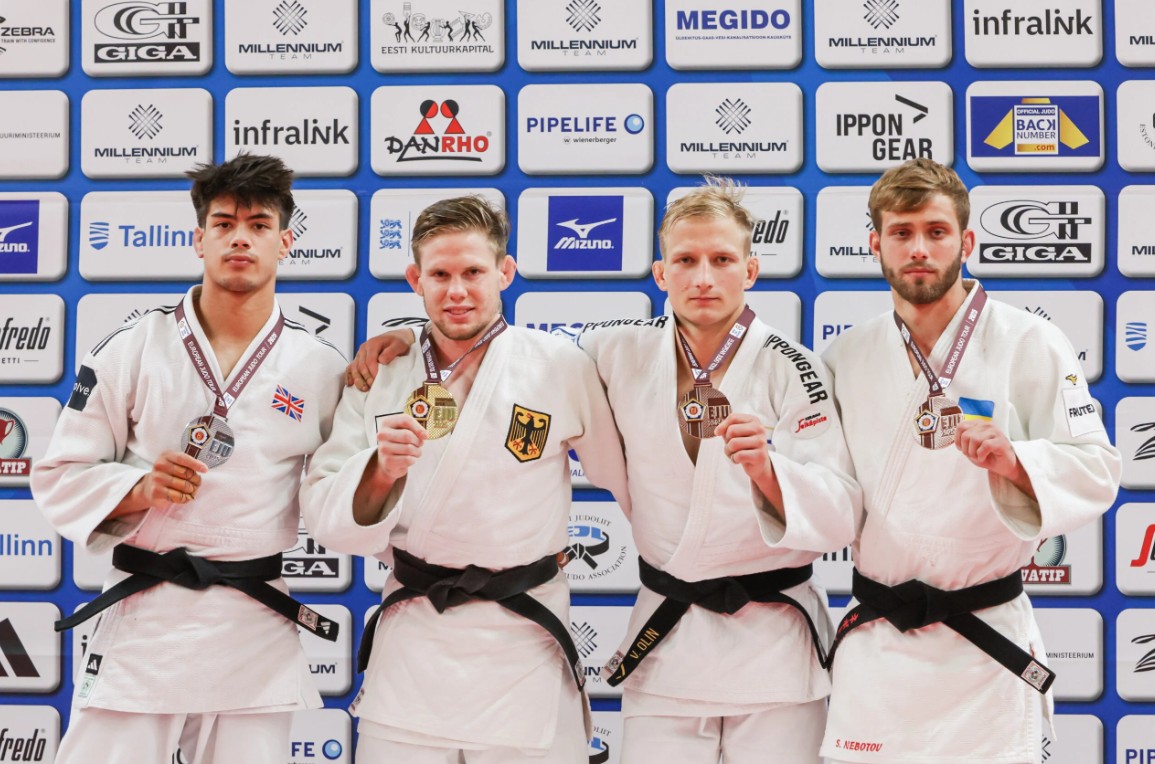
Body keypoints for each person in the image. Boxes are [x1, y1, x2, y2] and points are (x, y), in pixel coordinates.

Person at [350, 179, 860, 763]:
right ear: (660, 273)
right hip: (670, 643)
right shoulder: (616, 350)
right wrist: (411, 337)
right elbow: (505, 354)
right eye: (685, 261)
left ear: (751, 270)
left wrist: (768, 472)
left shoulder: (796, 368)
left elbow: (840, 515)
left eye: (722, 260)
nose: (703, 278)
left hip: (773, 646)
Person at [32, 154, 346, 764]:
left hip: (254, 620)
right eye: (224, 224)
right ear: (199, 239)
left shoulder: (320, 367)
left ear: (285, 242)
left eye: (259, 225)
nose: (240, 238)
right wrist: (140, 488)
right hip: (148, 610)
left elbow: (342, 492)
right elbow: (60, 475)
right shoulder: (131, 349)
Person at [300, 195, 630, 763]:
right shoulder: (380, 374)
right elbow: (328, 516)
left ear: (505, 271)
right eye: (440, 275)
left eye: (473, 272)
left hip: (523, 640)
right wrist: (381, 470)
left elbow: (624, 479)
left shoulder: (560, 365)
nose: (457, 291)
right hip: (415, 641)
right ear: (416, 280)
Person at [820, 158, 1121, 763]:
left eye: (936, 231)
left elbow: (1096, 468)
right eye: (901, 233)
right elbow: (824, 488)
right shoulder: (844, 356)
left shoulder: (1030, 341)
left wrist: (1019, 463)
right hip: (880, 644)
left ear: (967, 241)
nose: (919, 249)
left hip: (984, 642)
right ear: (875, 244)